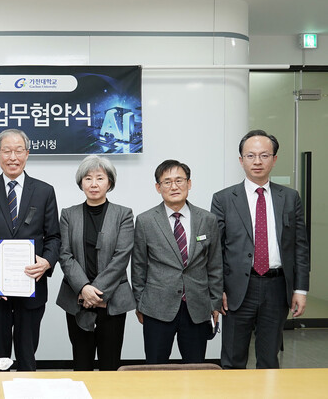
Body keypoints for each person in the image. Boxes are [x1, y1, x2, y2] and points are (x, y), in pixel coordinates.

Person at [211, 129, 310, 369]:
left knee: (269, 361)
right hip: (236, 290)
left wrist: (300, 289)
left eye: (264, 155)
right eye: (250, 155)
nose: (257, 161)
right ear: (241, 160)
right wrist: (217, 289)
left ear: (274, 159)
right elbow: (215, 251)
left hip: (277, 287)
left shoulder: (290, 197)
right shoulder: (223, 199)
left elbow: (300, 246)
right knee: (232, 360)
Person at [0, 129, 61, 371]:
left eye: (18, 151)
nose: (13, 157)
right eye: (7, 151)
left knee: (27, 356)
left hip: (32, 285)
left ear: (27, 154)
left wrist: (47, 262)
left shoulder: (44, 191)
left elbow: (54, 237)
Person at [131, 159, 222, 364]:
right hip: (157, 307)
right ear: (158, 187)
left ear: (189, 183)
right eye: (167, 182)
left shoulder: (207, 219)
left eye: (179, 180)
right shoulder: (146, 221)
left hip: (197, 306)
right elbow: (138, 266)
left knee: (195, 367)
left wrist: (215, 303)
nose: (174, 186)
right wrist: (140, 303)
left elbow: (215, 265)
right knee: (155, 367)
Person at [56, 155, 135, 371]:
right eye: (88, 178)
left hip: (113, 300)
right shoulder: (68, 215)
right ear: (81, 182)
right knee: (82, 364)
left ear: (109, 182)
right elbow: (65, 254)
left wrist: (96, 292)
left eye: (100, 178)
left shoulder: (123, 214)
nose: (93, 184)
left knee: (110, 364)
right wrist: (84, 288)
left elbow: (121, 256)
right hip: (76, 298)